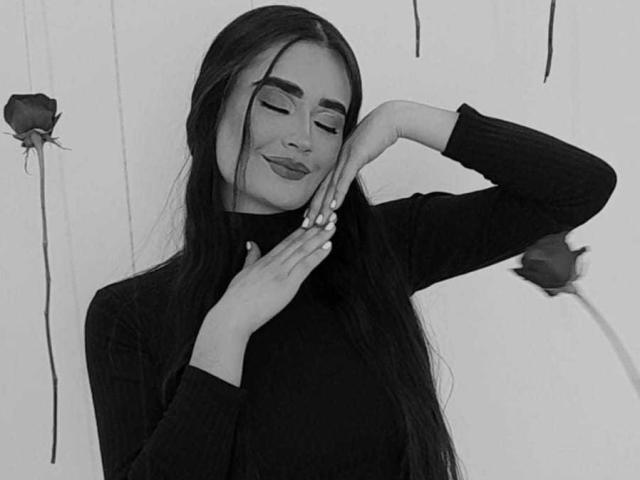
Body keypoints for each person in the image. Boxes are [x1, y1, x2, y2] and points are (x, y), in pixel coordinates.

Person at [84, 5, 617, 480]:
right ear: (211, 106)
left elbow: (580, 188)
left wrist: (401, 118)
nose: (303, 138)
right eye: (276, 105)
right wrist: (225, 332)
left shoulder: (380, 248)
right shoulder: (128, 315)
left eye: (328, 122)